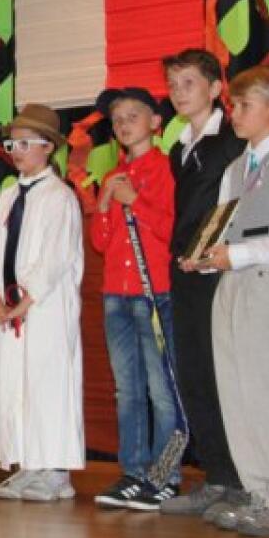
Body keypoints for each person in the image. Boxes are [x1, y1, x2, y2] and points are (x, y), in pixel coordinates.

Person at [184, 66, 269, 536]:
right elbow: (224, 227)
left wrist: (237, 254)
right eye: (234, 105)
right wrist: (205, 257)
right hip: (232, 284)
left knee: (268, 392)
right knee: (236, 392)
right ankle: (258, 493)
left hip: (268, 284)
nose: (235, 114)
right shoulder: (236, 168)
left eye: (245, 105)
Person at [0, 104, 85, 502]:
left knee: (47, 384)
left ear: (48, 147)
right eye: (11, 144)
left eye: (25, 144)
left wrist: (21, 304)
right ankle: (27, 462)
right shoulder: (7, 198)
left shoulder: (60, 198)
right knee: (14, 384)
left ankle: (55, 471)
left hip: (43, 309)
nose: (16, 152)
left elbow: (54, 260)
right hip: (8, 309)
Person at [158, 49, 250, 520]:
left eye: (189, 83)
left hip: (217, 270)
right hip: (186, 270)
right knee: (194, 373)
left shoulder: (231, 141)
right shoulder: (179, 148)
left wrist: (208, 252)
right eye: (173, 85)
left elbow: (236, 206)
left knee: (222, 375)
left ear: (215, 89)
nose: (178, 92)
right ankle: (217, 476)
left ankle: (241, 479)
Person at [90, 87, 179, 510]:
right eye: (117, 119)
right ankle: (134, 472)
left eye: (133, 116)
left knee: (163, 391)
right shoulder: (112, 175)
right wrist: (106, 203)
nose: (123, 125)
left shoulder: (167, 169)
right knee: (127, 390)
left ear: (155, 122)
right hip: (116, 295)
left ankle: (166, 476)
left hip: (154, 292)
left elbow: (172, 230)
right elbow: (100, 241)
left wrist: (135, 201)